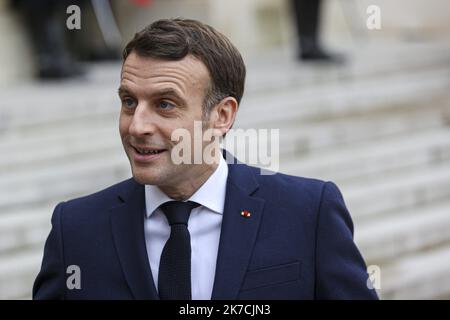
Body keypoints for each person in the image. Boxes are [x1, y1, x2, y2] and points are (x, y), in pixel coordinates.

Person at [33, 18, 377, 300]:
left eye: (165, 104)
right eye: (128, 101)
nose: (136, 126)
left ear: (222, 116)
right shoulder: (75, 229)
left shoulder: (308, 213)